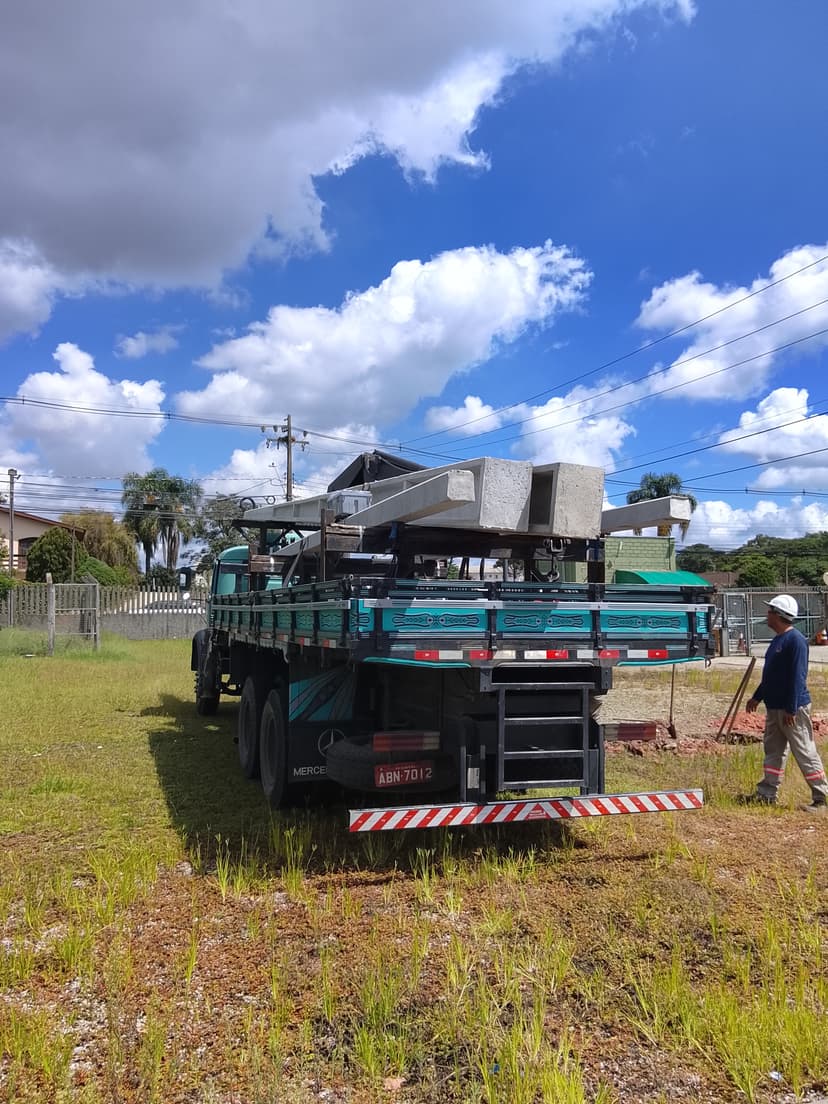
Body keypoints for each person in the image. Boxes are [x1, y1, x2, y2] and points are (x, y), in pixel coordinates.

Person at [740, 594, 828, 812]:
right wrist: (757, 697)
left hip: (791, 708)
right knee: (773, 751)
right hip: (774, 707)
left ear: (777, 615)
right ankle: (766, 794)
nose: (766, 615)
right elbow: (772, 676)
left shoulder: (795, 640)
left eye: (770, 611)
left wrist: (792, 707)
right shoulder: (778, 640)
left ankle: (822, 798)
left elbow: (798, 676)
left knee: (804, 751)